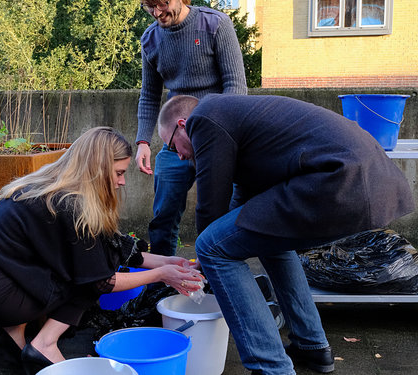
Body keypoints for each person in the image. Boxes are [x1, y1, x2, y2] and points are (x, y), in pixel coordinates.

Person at [156, 94, 415, 374]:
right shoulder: (236, 121)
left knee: (211, 247)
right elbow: (241, 207)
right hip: (368, 182)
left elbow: (210, 208)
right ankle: (312, 346)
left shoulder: (204, 118)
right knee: (262, 231)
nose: (180, 156)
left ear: (183, 124)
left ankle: (271, 367)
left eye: (172, 147)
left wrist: (203, 263)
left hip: (340, 180)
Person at [0, 127, 203, 375]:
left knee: (84, 267)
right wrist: (161, 275)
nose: (122, 181)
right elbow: (101, 282)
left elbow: (115, 248)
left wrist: (169, 262)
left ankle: (9, 340)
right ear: (97, 169)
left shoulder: (54, 188)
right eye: (118, 173)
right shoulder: (70, 206)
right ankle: (44, 345)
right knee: (87, 281)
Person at [135, 0, 247, 256]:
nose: (157, 12)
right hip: (176, 142)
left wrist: (220, 134)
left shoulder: (215, 24)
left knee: (217, 216)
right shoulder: (151, 39)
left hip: (218, 140)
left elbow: (236, 85)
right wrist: (143, 141)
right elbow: (149, 95)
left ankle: (218, 276)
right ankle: (162, 282)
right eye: (149, 6)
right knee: (163, 217)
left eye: (162, 3)